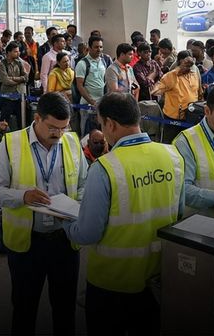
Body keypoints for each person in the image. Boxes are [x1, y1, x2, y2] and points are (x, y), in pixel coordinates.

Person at [64, 92, 183, 335]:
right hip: (159, 276)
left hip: (112, 282)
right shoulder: (172, 156)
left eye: (101, 124)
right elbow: (177, 215)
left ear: (110, 124)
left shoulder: (105, 168)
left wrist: (64, 220)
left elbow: (87, 234)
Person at [0, 92, 88, 336]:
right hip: (27, 245)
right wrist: (23, 197)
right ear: (37, 118)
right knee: (24, 309)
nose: (58, 134)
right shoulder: (10, 144)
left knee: (65, 309)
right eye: (53, 127)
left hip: (65, 240)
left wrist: (76, 207)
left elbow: (84, 184)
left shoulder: (72, 142)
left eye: (63, 128)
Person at [154, 50, 203, 143]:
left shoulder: (195, 71)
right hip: (173, 117)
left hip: (191, 115)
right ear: (180, 62)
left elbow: (199, 91)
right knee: (171, 142)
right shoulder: (172, 73)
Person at [75, 36, 107, 135]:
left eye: (101, 47)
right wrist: (92, 102)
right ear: (89, 47)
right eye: (96, 47)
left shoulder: (103, 61)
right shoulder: (82, 64)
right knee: (87, 135)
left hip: (101, 104)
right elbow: (80, 86)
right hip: (87, 105)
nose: (99, 50)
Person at [0, 41, 27, 128]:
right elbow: (5, 80)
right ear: (8, 53)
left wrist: (13, 78)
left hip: (20, 96)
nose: (18, 53)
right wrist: (20, 80)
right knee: (5, 121)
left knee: (21, 120)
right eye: (15, 51)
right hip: (7, 96)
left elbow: (26, 77)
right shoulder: (2, 64)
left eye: (18, 51)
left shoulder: (19, 63)